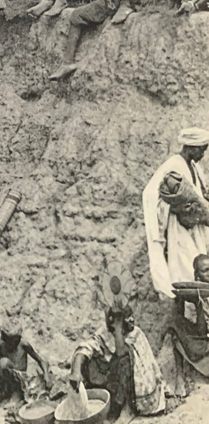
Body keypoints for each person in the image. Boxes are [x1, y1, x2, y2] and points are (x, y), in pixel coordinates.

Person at [141, 128, 209, 299]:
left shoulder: (195, 168)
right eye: (202, 148)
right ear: (191, 147)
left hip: (194, 227)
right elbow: (150, 193)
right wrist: (172, 206)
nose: (203, 153)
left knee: (200, 265)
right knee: (184, 266)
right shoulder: (174, 165)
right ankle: (186, 310)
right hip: (177, 228)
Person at [69, 303, 166, 419]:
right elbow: (86, 347)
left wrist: (119, 328)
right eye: (127, 317)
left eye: (131, 315)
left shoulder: (135, 333)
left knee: (124, 361)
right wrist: (76, 371)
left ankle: (119, 406)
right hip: (110, 377)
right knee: (86, 361)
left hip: (134, 385)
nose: (131, 319)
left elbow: (121, 352)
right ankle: (100, 396)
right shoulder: (105, 333)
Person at [0, 320, 51, 405]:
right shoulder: (0, 345)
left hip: (19, 383)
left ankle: (14, 395)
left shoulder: (23, 345)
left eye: (16, 340)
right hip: (4, 384)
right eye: (11, 341)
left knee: (4, 362)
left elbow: (41, 361)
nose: (14, 344)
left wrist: (46, 376)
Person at [166, 254, 209, 383]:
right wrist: (198, 303)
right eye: (205, 270)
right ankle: (180, 378)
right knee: (175, 325)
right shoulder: (190, 295)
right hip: (203, 342)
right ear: (197, 275)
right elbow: (200, 332)